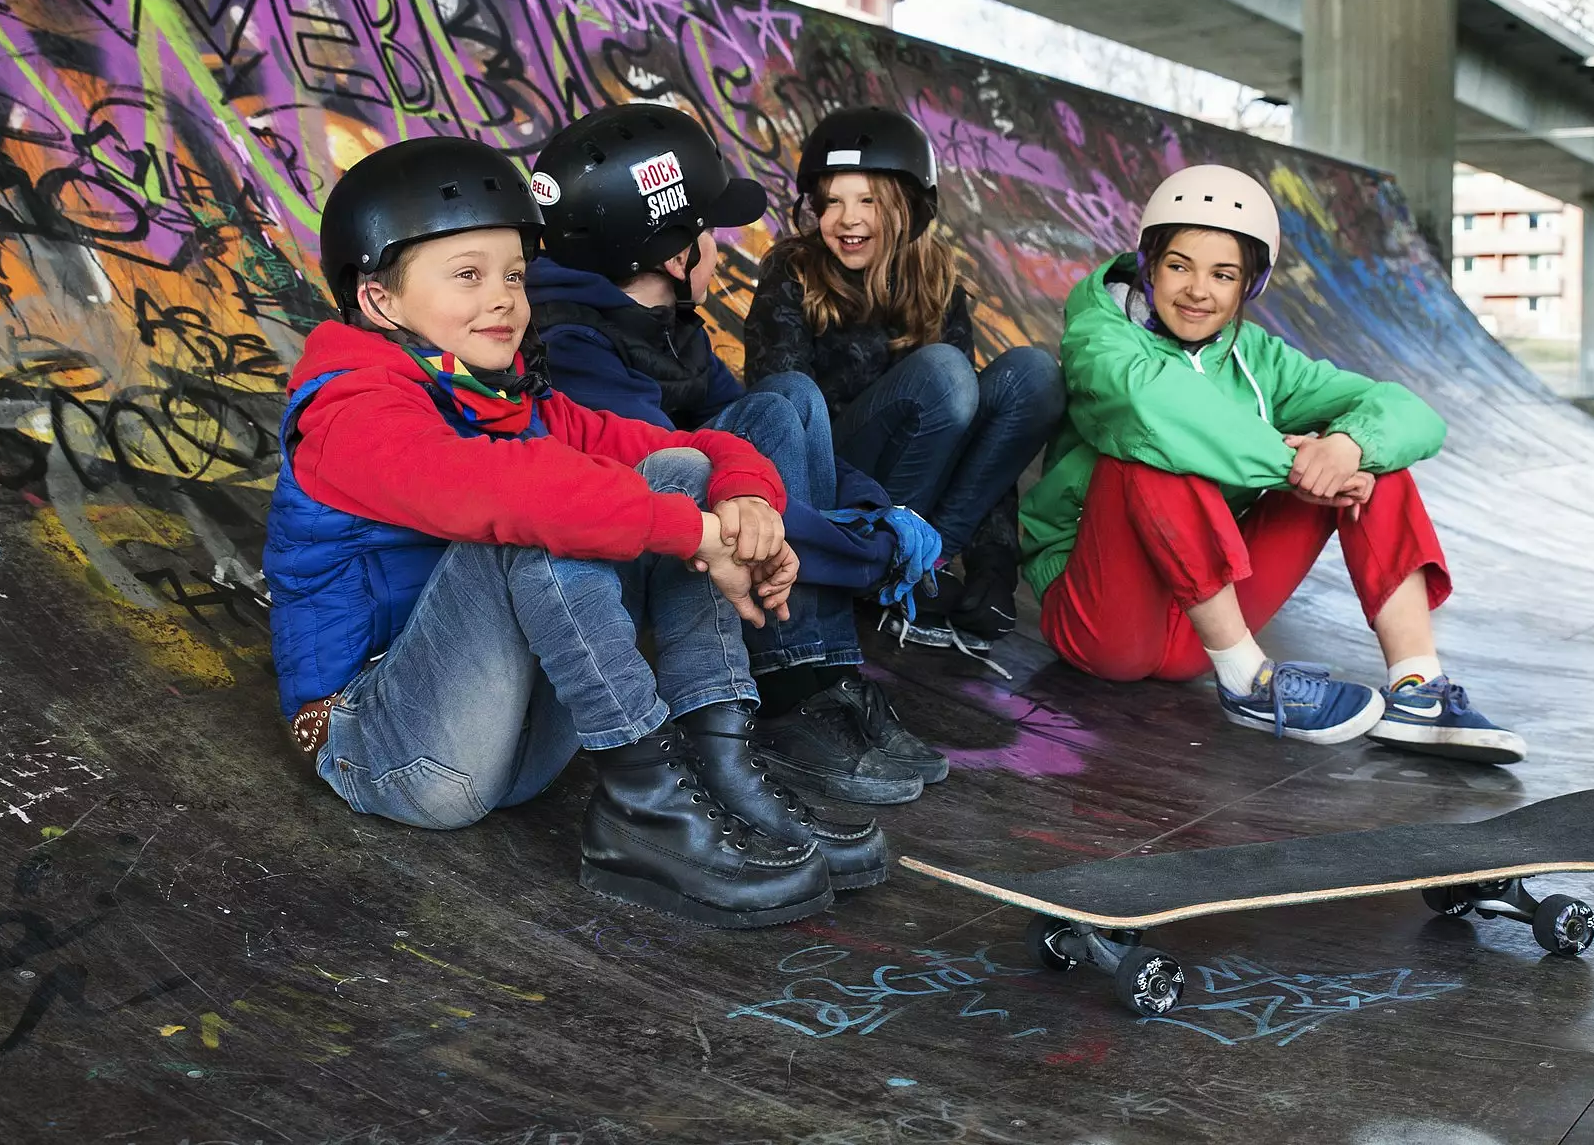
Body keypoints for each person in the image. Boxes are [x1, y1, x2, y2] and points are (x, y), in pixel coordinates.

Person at [263, 135, 882, 932]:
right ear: (382, 301)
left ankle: (715, 762)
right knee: (535, 509)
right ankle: (643, 807)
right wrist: (692, 536)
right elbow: (506, 492)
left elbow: (702, 452)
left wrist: (746, 506)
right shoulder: (347, 412)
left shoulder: (514, 400)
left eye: (514, 274)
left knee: (677, 474)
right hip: (387, 746)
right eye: (467, 275)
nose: (504, 299)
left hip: (512, 746)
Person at [1020, 165, 1526, 764]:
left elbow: (1411, 413)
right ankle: (1247, 683)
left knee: (1371, 456)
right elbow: (1149, 406)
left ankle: (1419, 690)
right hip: (1102, 620)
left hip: (1198, 627)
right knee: (1151, 453)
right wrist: (1294, 469)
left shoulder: (1257, 358)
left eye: (1223, 274)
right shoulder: (1102, 335)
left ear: (1248, 287)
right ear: (1150, 264)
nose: (1198, 290)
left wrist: (1343, 450)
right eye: (1179, 266)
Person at [527, 104, 944, 808]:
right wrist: (862, 548)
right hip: (647, 560)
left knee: (786, 396)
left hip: (719, 546)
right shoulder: (573, 343)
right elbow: (679, 479)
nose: (719, 250)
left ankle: (824, 675)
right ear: (670, 253)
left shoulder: (669, 327)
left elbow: (751, 434)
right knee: (775, 406)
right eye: (708, 233)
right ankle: (789, 695)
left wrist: (879, 510)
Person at [744, 106, 1066, 654]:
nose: (848, 218)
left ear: (910, 209)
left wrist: (994, 563)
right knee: (944, 374)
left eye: (868, 200)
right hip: (833, 484)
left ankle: (929, 560)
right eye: (833, 201)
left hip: (919, 492)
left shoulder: (938, 280)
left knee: (1032, 375)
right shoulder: (793, 270)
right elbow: (786, 417)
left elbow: (977, 438)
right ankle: (878, 561)